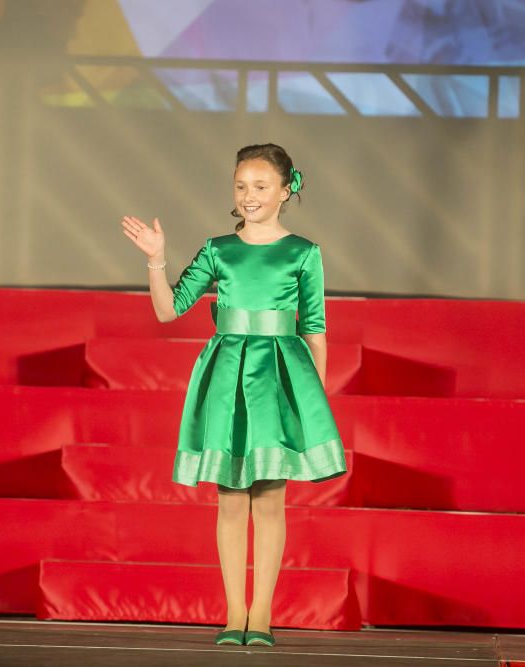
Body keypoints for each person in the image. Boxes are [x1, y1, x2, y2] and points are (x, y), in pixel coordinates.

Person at [121, 143, 347, 647]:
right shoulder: (218, 249)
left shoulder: (304, 253)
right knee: (229, 500)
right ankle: (233, 614)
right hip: (227, 375)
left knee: (269, 500)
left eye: (261, 187)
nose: (249, 196)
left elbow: (315, 330)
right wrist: (158, 260)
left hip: (280, 378)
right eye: (241, 186)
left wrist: (313, 403)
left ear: (286, 191)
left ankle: (262, 616)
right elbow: (168, 310)